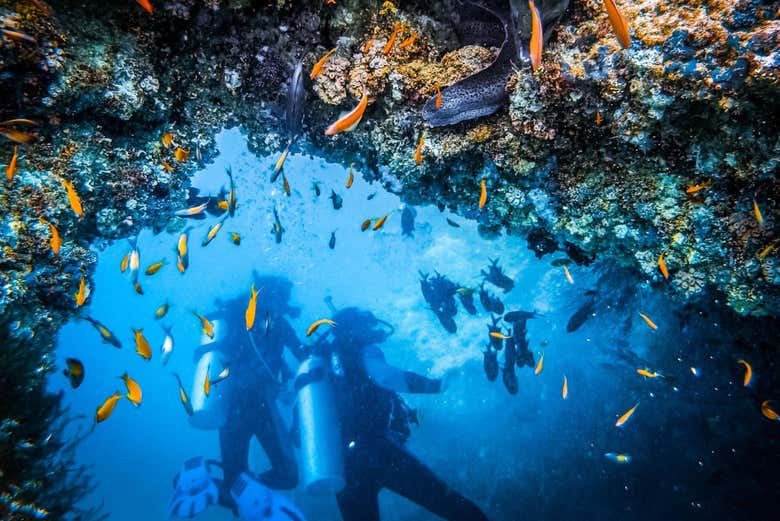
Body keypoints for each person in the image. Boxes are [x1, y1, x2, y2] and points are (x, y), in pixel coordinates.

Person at [312, 306, 490, 521]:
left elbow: (298, 430)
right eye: (367, 325)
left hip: (343, 463)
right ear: (355, 327)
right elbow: (385, 377)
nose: (372, 329)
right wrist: (437, 385)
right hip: (377, 450)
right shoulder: (363, 349)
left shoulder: (320, 365)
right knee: (448, 503)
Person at [169, 275, 306, 519]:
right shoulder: (275, 325)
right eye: (282, 298)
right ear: (270, 295)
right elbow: (304, 355)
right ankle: (240, 488)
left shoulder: (238, 318)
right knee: (287, 474)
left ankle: (206, 484)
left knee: (236, 489)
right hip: (261, 405)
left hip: (231, 408)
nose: (285, 304)